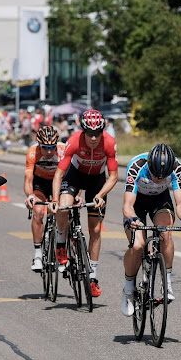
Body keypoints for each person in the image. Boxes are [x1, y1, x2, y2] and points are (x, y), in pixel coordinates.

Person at [49, 109, 118, 297]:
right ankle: (61, 245)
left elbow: (113, 177)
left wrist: (101, 195)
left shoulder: (109, 143)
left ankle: (93, 277)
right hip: (75, 177)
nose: (94, 138)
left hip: (97, 181)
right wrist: (55, 200)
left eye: (97, 133)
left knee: (95, 230)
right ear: (83, 131)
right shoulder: (73, 141)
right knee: (63, 207)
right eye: (90, 133)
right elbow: (59, 174)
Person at [120, 144, 181, 316]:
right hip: (137, 203)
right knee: (138, 245)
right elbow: (127, 206)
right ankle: (129, 289)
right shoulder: (136, 165)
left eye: (164, 177)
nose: (159, 180)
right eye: (155, 176)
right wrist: (133, 220)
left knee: (165, 233)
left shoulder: (176, 167)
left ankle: (166, 282)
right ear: (149, 166)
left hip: (160, 200)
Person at [24, 125, 66, 271]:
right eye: (45, 147)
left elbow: (74, 178)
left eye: (52, 147)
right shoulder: (32, 153)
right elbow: (28, 180)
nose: (49, 152)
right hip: (40, 182)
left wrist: (76, 196)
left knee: (65, 210)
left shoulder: (63, 151)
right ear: (38, 145)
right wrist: (30, 197)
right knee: (38, 211)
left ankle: (68, 246)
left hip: (60, 181)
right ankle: (37, 256)